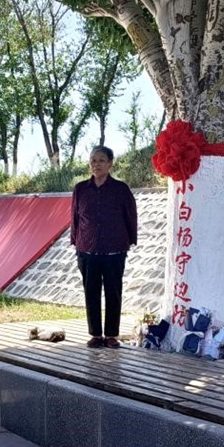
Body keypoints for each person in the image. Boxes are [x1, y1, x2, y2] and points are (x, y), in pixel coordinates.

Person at [71, 146, 138, 348]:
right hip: (87, 249)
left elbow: (130, 216)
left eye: (101, 160)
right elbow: (75, 217)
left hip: (114, 249)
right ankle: (95, 334)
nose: (96, 164)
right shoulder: (81, 189)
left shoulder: (121, 189)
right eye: (93, 160)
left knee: (113, 291)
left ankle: (111, 334)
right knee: (91, 292)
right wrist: (76, 241)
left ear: (110, 163)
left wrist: (129, 240)